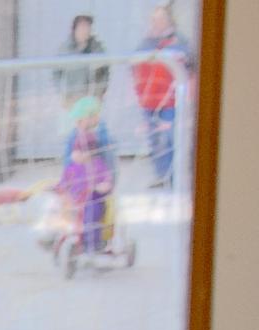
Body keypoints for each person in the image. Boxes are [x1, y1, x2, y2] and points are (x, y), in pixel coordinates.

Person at [132, 3, 194, 187]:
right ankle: (161, 176)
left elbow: (189, 63)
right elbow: (135, 66)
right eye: (154, 20)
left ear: (168, 20)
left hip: (170, 101)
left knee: (171, 139)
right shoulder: (145, 43)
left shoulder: (179, 41)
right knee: (154, 141)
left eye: (160, 19)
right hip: (149, 101)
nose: (156, 23)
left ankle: (175, 177)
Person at [58, 96, 120, 257]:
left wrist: (105, 186)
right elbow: (64, 180)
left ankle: (92, 244)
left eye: (81, 120)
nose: (78, 155)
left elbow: (107, 176)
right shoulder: (73, 164)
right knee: (60, 208)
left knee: (92, 212)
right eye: (75, 151)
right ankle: (56, 237)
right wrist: (60, 189)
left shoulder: (99, 162)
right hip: (76, 197)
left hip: (92, 196)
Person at [54, 14, 111, 105]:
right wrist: (61, 95)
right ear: (75, 29)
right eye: (82, 27)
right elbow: (56, 73)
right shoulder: (65, 49)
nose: (85, 30)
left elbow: (105, 73)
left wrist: (99, 95)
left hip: (93, 100)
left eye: (88, 27)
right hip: (72, 99)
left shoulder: (97, 48)